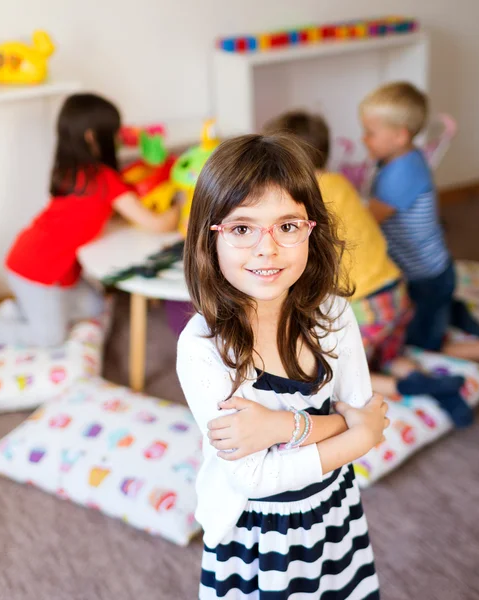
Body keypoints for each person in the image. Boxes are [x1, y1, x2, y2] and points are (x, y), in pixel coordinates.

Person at [177, 133, 385, 598]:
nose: (266, 249)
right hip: (256, 535)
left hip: (333, 508)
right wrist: (352, 434)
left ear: (313, 228)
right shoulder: (202, 348)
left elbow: (363, 411)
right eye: (242, 229)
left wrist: (280, 428)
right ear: (208, 239)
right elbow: (257, 477)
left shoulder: (332, 314)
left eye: (287, 226)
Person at [263, 111, 472, 427]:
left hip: (366, 304)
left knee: (334, 375)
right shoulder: (340, 183)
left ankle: (404, 387)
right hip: (396, 291)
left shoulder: (297, 200)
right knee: (389, 357)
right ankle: (442, 391)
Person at [0, 93, 180, 361]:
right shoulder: (105, 179)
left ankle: (22, 311)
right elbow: (156, 224)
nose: (119, 137)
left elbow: (105, 212)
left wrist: (140, 140)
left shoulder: (73, 170)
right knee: (50, 337)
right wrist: (180, 200)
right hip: (37, 271)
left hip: (41, 260)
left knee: (95, 305)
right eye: (114, 131)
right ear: (92, 136)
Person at [360, 82, 479, 367]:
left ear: (399, 136)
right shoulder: (399, 158)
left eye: (370, 133)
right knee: (433, 309)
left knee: (420, 346)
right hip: (429, 272)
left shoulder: (402, 173)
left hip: (426, 278)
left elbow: (365, 221)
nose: (363, 139)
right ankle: (458, 315)